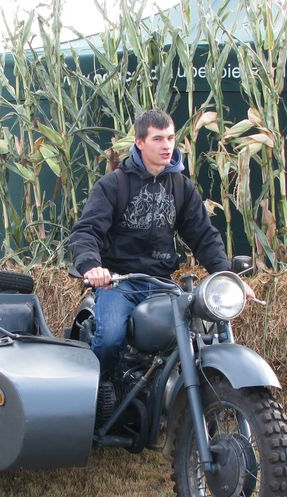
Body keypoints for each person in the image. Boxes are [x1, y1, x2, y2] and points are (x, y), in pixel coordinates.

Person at [69, 108, 251, 375]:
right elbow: (87, 231)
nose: (166, 146)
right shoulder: (114, 185)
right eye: (157, 139)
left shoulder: (181, 187)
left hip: (161, 284)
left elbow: (204, 236)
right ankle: (101, 394)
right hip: (120, 284)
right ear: (140, 143)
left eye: (170, 138)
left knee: (197, 336)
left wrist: (227, 276)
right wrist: (92, 266)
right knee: (109, 339)